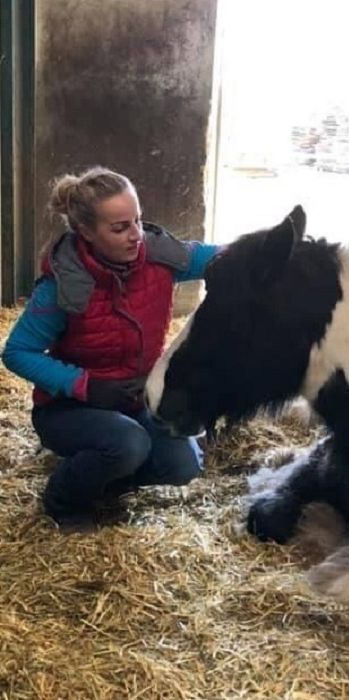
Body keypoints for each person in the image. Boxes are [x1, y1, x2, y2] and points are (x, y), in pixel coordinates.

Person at [2, 167, 219, 525]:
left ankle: (105, 476)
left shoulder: (159, 257)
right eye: (120, 228)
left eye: (138, 220)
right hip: (69, 409)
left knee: (183, 468)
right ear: (86, 232)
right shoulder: (63, 285)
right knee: (128, 444)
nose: (136, 236)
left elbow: (222, 256)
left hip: (133, 400)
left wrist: (278, 249)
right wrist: (84, 385)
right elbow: (16, 353)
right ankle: (63, 499)